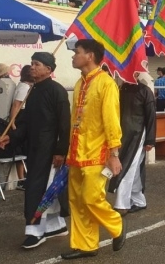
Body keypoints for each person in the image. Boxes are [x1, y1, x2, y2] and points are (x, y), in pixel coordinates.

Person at [0, 53, 70, 249]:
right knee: (44, 189)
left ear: (49, 69)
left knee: (40, 190)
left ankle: (35, 232)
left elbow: (65, 124)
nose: (32, 67)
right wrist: (11, 137)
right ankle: (56, 225)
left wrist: (61, 151)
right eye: (31, 64)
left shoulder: (57, 91)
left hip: (50, 149)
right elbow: (26, 123)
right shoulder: (32, 90)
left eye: (36, 64)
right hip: (35, 148)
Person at [63, 40, 125, 258]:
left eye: (76, 52)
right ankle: (86, 245)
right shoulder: (80, 84)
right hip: (76, 152)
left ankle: (116, 225)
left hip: (98, 154)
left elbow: (111, 121)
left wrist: (114, 154)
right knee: (77, 201)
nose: (73, 56)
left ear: (89, 56)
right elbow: (74, 120)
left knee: (91, 198)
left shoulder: (106, 83)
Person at [109, 72, 156, 215]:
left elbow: (151, 116)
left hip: (137, 135)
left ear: (136, 74)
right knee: (133, 168)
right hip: (122, 135)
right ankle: (139, 200)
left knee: (127, 167)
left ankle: (122, 204)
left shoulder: (144, 90)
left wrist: (150, 140)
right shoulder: (119, 89)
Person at [9, 65, 33, 190]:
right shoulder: (24, 87)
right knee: (21, 151)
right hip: (20, 118)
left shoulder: (26, 86)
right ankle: (21, 179)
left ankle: (24, 177)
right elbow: (16, 105)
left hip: (24, 117)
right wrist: (13, 123)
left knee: (25, 150)